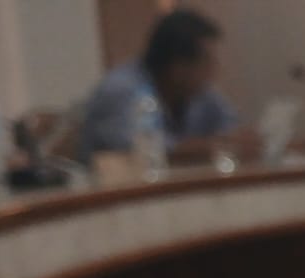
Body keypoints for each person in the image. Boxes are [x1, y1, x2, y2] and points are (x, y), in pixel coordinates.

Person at [78, 9, 246, 164]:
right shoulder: (120, 89)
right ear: (178, 67)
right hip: (116, 185)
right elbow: (141, 151)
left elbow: (232, 132)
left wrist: (238, 141)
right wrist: (211, 147)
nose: (214, 70)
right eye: (208, 62)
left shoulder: (202, 93)